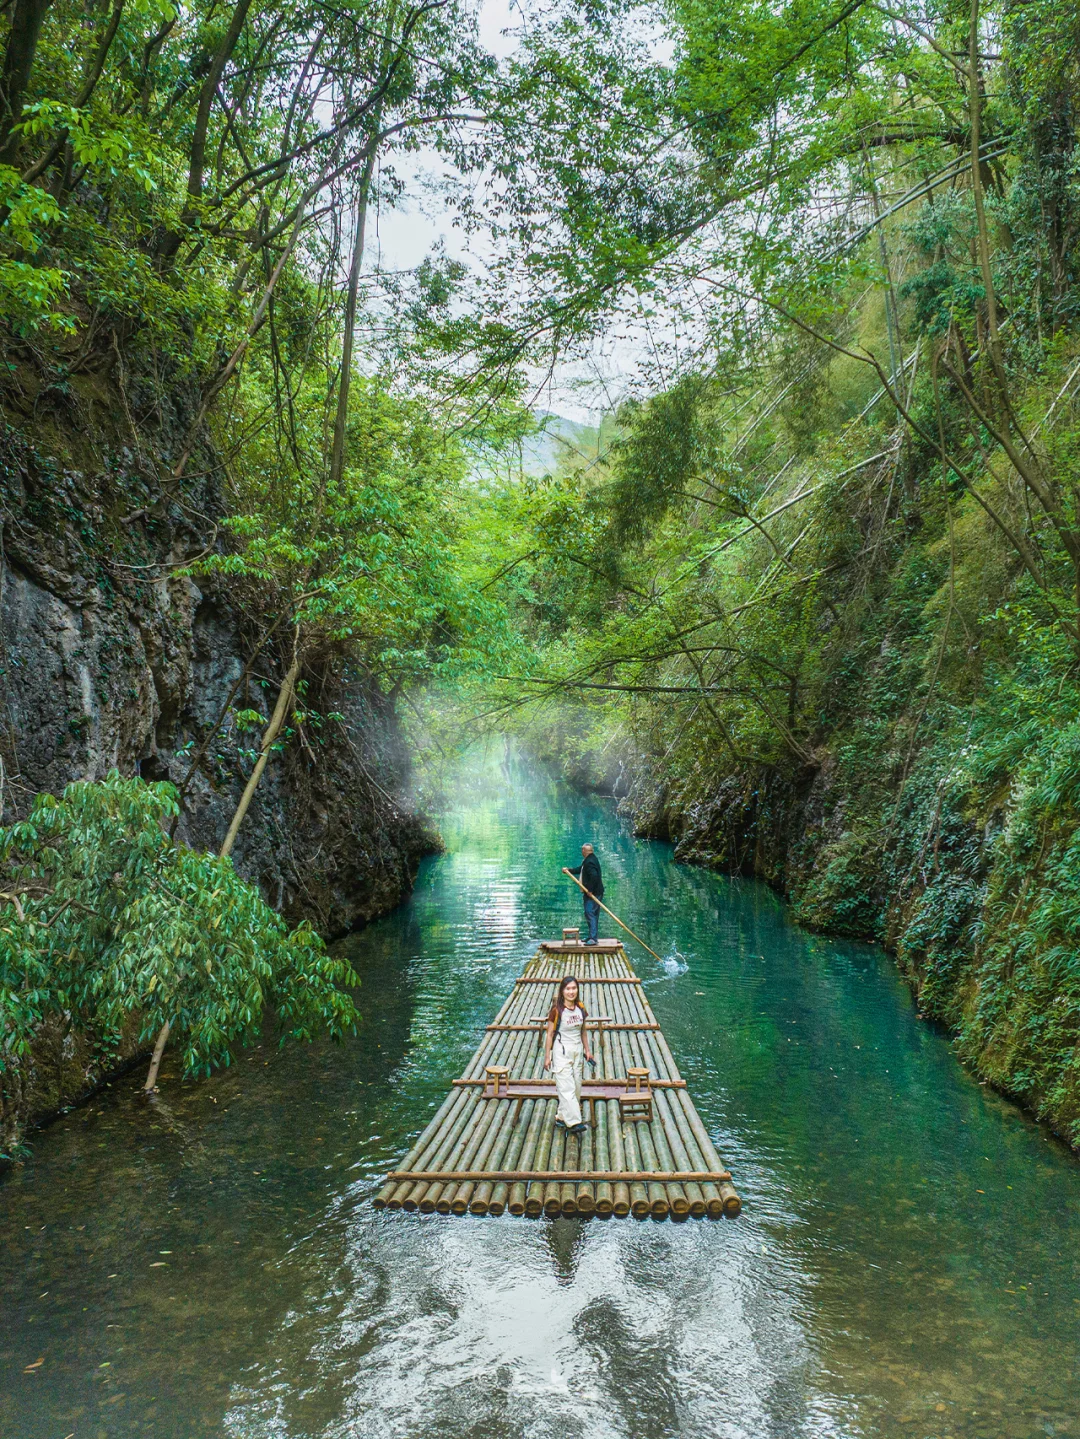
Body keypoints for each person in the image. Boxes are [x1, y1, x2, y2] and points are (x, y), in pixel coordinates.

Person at [543, 975, 593, 1134]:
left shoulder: (581, 1008)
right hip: (561, 1050)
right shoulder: (556, 1011)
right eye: (568, 988)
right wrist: (547, 1056)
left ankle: (561, 1117)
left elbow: (583, 1031)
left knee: (577, 1086)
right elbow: (550, 1034)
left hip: (577, 1050)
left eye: (574, 988)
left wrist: (587, 1050)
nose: (571, 992)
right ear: (562, 991)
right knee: (566, 1087)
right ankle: (575, 1122)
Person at [563, 843, 603, 945]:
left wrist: (590, 890)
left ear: (585, 851)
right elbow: (581, 869)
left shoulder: (590, 861)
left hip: (593, 893)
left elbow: (594, 876)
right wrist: (569, 871)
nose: (582, 852)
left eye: (582, 850)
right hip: (594, 891)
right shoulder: (590, 859)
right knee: (591, 914)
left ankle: (593, 939)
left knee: (590, 913)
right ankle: (591, 936)